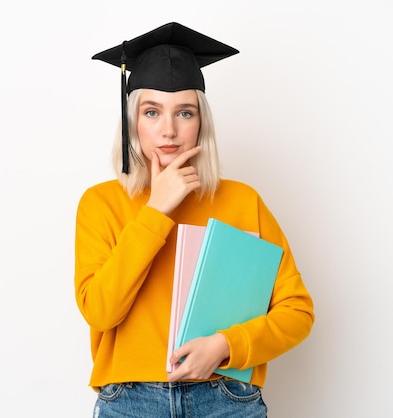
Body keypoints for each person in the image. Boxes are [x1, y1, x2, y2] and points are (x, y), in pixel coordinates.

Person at [74, 22, 315, 417]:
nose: (169, 130)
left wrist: (226, 345)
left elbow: (297, 311)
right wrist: (157, 210)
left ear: (201, 121)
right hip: (130, 402)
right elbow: (101, 312)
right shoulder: (102, 203)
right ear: (133, 120)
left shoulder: (241, 200)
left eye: (184, 112)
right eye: (152, 112)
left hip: (226, 399)